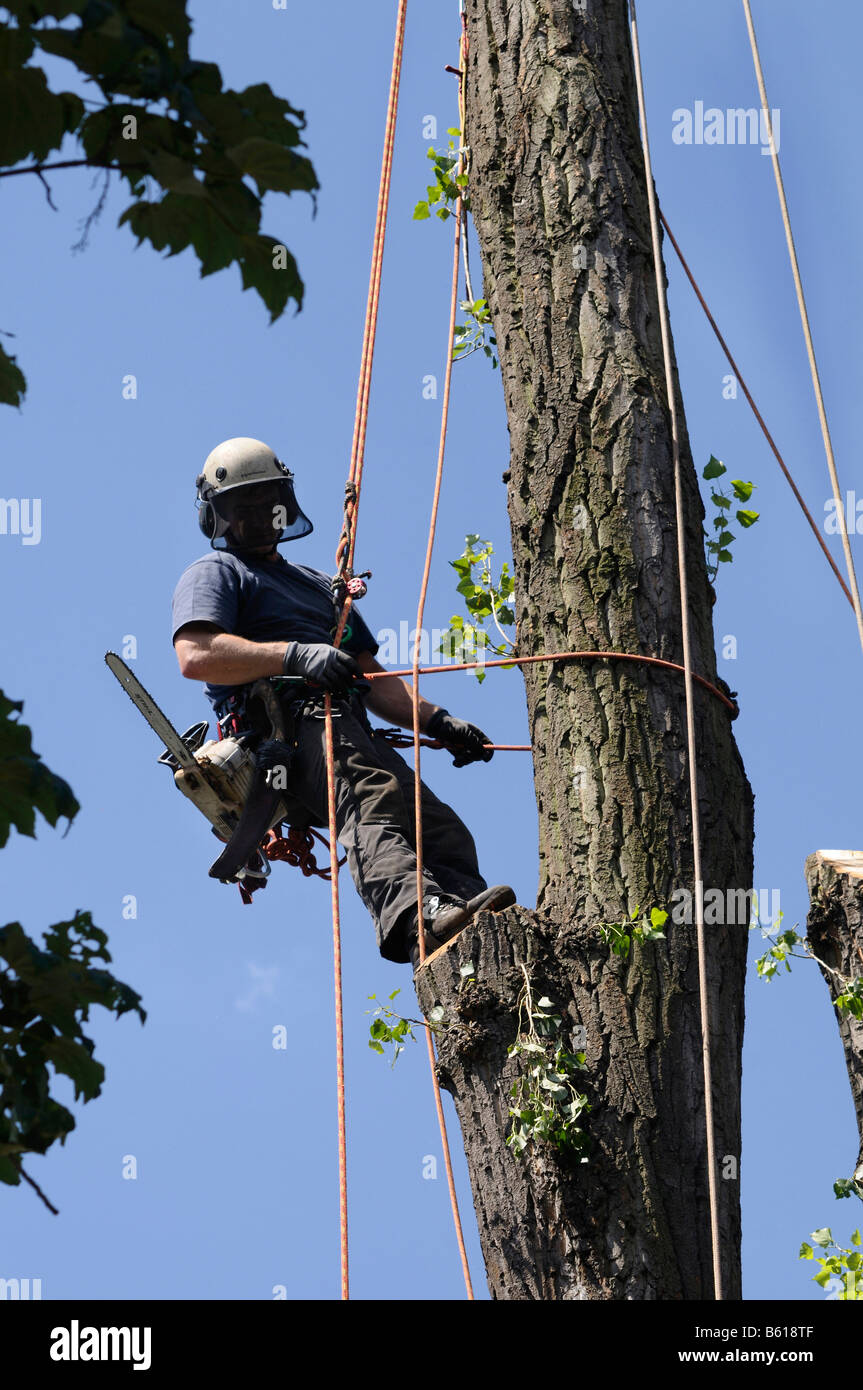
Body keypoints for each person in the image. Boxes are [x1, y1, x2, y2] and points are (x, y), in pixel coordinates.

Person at [171, 437, 515, 970]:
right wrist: (293, 655)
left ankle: (472, 929)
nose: (260, 517)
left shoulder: (318, 587)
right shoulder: (217, 574)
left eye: (268, 503)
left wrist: (438, 720)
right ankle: (415, 917)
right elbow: (196, 655)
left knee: (437, 824)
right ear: (219, 517)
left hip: (350, 726)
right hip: (289, 731)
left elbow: (371, 677)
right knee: (368, 796)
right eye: (243, 508)